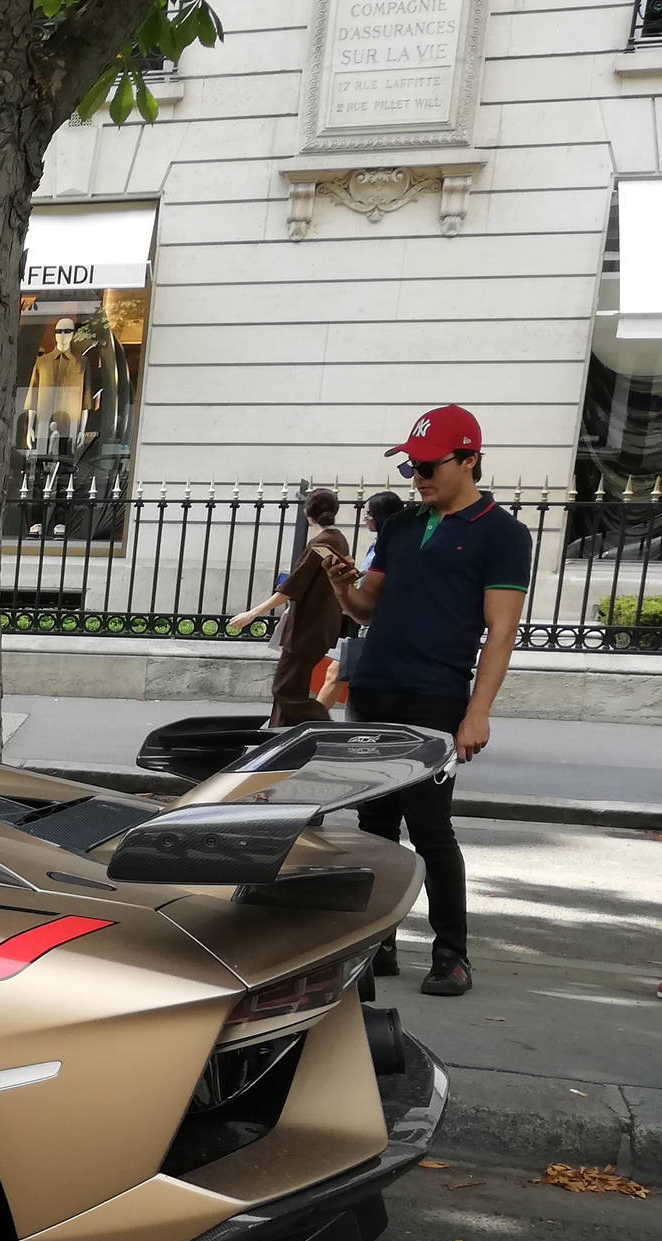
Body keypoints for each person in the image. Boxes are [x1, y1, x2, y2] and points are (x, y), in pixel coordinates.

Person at [336, 406, 530, 998]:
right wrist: (342, 584)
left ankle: (451, 952)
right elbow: (367, 610)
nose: (416, 477)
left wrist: (477, 712)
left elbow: (501, 632)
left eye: (427, 466)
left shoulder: (503, 534)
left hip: (435, 699)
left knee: (430, 829)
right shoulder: (399, 527)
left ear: (469, 459)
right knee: (373, 828)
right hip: (372, 690)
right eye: (410, 467)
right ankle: (379, 945)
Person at [225, 487, 352, 724]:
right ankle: (279, 736)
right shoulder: (339, 539)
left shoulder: (321, 542)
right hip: (322, 626)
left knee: (284, 689)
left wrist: (252, 613)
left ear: (308, 514)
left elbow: (292, 587)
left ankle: (320, 722)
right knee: (293, 686)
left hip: (307, 627)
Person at [318, 488, 402, 713]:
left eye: (370, 513)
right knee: (337, 673)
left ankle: (309, 723)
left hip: (378, 625)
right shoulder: (380, 544)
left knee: (337, 673)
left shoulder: (393, 545)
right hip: (370, 621)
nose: (366, 519)